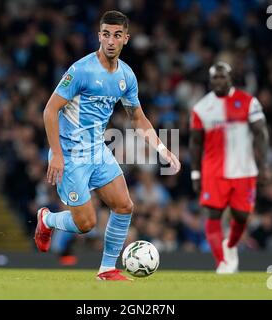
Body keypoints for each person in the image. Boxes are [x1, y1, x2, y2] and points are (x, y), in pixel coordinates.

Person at [34, 11, 180, 280]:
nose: (110, 41)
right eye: (105, 34)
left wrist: (164, 150)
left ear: (126, 38)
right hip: (70, 153)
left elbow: (138, 118)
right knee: (86, 224)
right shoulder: (81, 70)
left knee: (124, 205)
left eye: (116, 35)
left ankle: (107, 269)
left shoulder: (127, 76)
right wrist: (56, 153)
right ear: (99, 36)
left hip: (98, 149)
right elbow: (49, 111)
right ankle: (47, 220)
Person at [189, 62, 269, 274]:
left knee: (242, 216)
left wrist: (264, 165)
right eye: (214, 78)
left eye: (222, 77)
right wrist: (195, 173)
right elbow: (195, 143)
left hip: (244, 170)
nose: (218, 81)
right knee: (213, 214)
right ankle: (222, 262)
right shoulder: (201, 108)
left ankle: (230, 245)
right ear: (209, 80)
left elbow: (261, 134)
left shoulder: (248, 102)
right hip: (214, 171)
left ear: (230, 78)